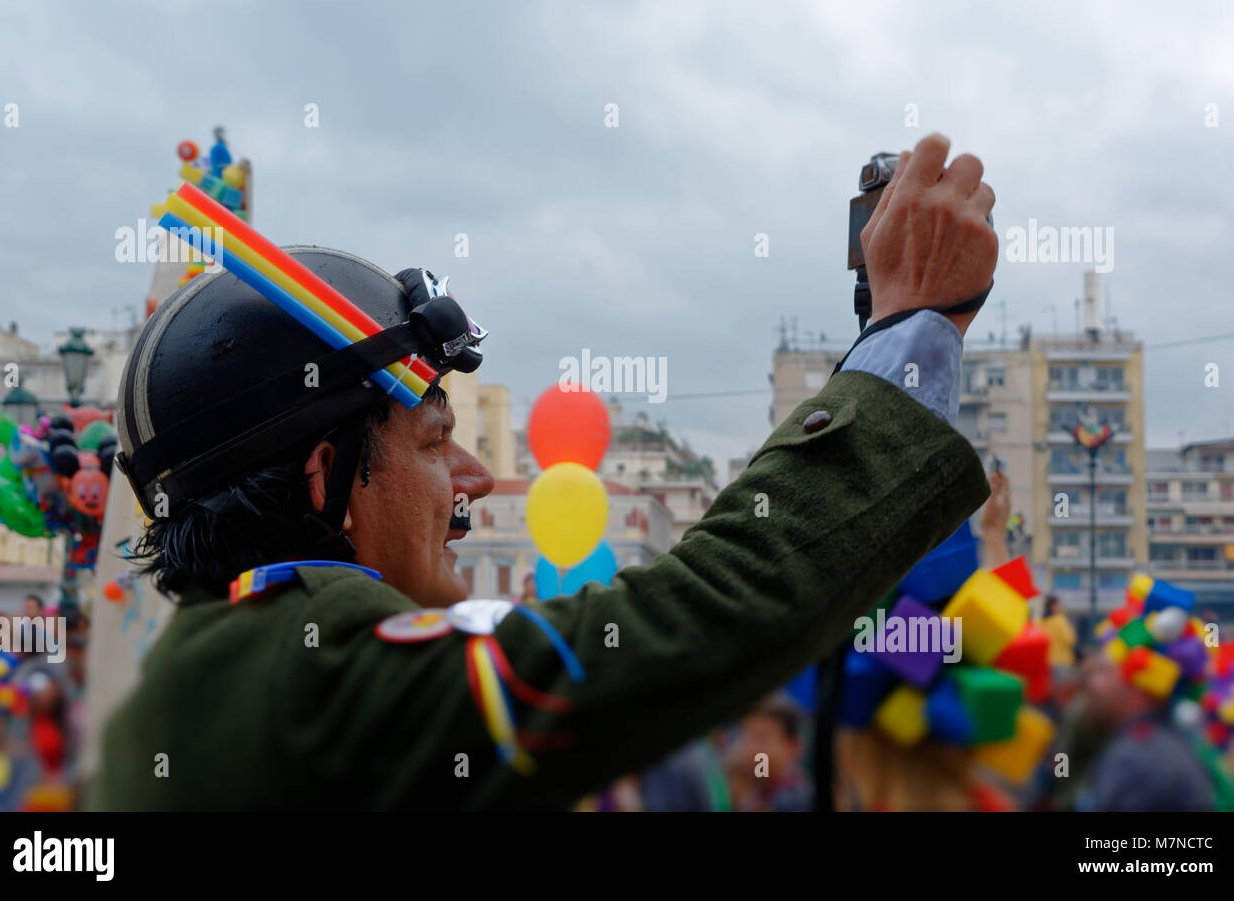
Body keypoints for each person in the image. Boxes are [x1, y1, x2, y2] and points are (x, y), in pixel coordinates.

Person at [90, 132, 998, 810]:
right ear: (325, 478)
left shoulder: (189, 686)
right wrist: (913, 331)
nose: (476, 479)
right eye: (433, 440)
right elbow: (708, 615)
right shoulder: (318, 673)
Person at [1073, 651, 1214, 811]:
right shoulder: (1168, 744)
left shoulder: (1135, 759)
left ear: (1138, 685)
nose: (1090, 682)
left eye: (1103, 670)